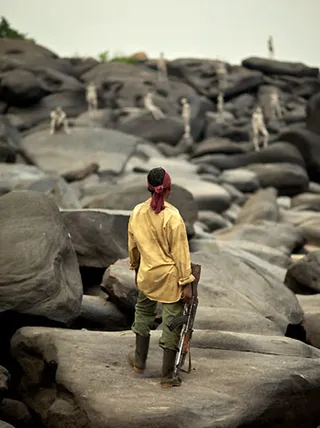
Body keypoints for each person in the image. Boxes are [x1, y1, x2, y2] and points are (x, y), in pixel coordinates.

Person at [127, 167, 195, 387]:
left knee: (143, 311)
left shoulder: (137, 212)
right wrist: (186, 283)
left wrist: (136, 267)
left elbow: (133, 246)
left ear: (149, 188)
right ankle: (167, 376)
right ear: (169, 190)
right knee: (172, 322)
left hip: (147, 275)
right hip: (169, 279)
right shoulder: (173, 217)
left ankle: (139, 362)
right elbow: (181, 253)